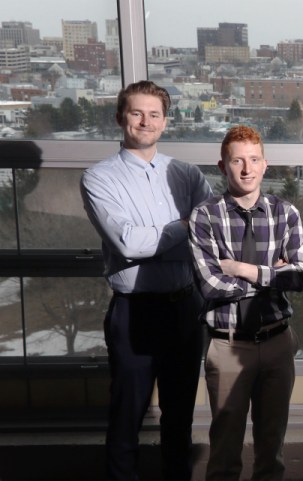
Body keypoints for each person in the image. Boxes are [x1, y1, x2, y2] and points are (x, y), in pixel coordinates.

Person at [80, 80, 213, 480]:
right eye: (136, 113)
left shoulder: (186, 174)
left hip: (185, 309)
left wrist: (170, 234)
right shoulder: (98, 177)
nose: (145, 121)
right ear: (121, 117)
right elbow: (128, 242)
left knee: (179, 418)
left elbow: (208, 233)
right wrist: (184, 229)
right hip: (134, 312)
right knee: (127, 418)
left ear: (165, 121)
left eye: (154, 114)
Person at [189, 125, 303, 481]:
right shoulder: (205, 216)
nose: (246, 168)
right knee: (224, 451)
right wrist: (271, 277)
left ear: (265, 164)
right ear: (222, 166)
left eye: (254, 159)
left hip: (276, 342)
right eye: (237, 160)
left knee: (271, 450)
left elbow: (300, 276)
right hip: (226, 345)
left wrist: (243, 270)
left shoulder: (285, 213)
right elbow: (210, 285)